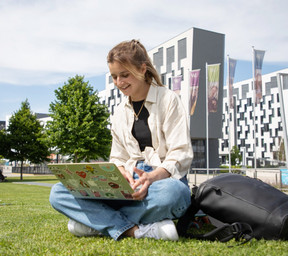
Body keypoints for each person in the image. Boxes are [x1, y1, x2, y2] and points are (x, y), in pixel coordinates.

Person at [49, 39, 193, 241]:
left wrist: (151, 178)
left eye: (124, 75)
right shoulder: (118, 113)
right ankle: (134, 230)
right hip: (127, 186)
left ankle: (96, 223)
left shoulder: (168, 99)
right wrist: (122, 173)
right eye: (114, 77)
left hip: (161, 181)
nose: (119, 82)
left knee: (173, 193)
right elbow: (117, 157)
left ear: (142, 69)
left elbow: (181, 153)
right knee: (58, 192)